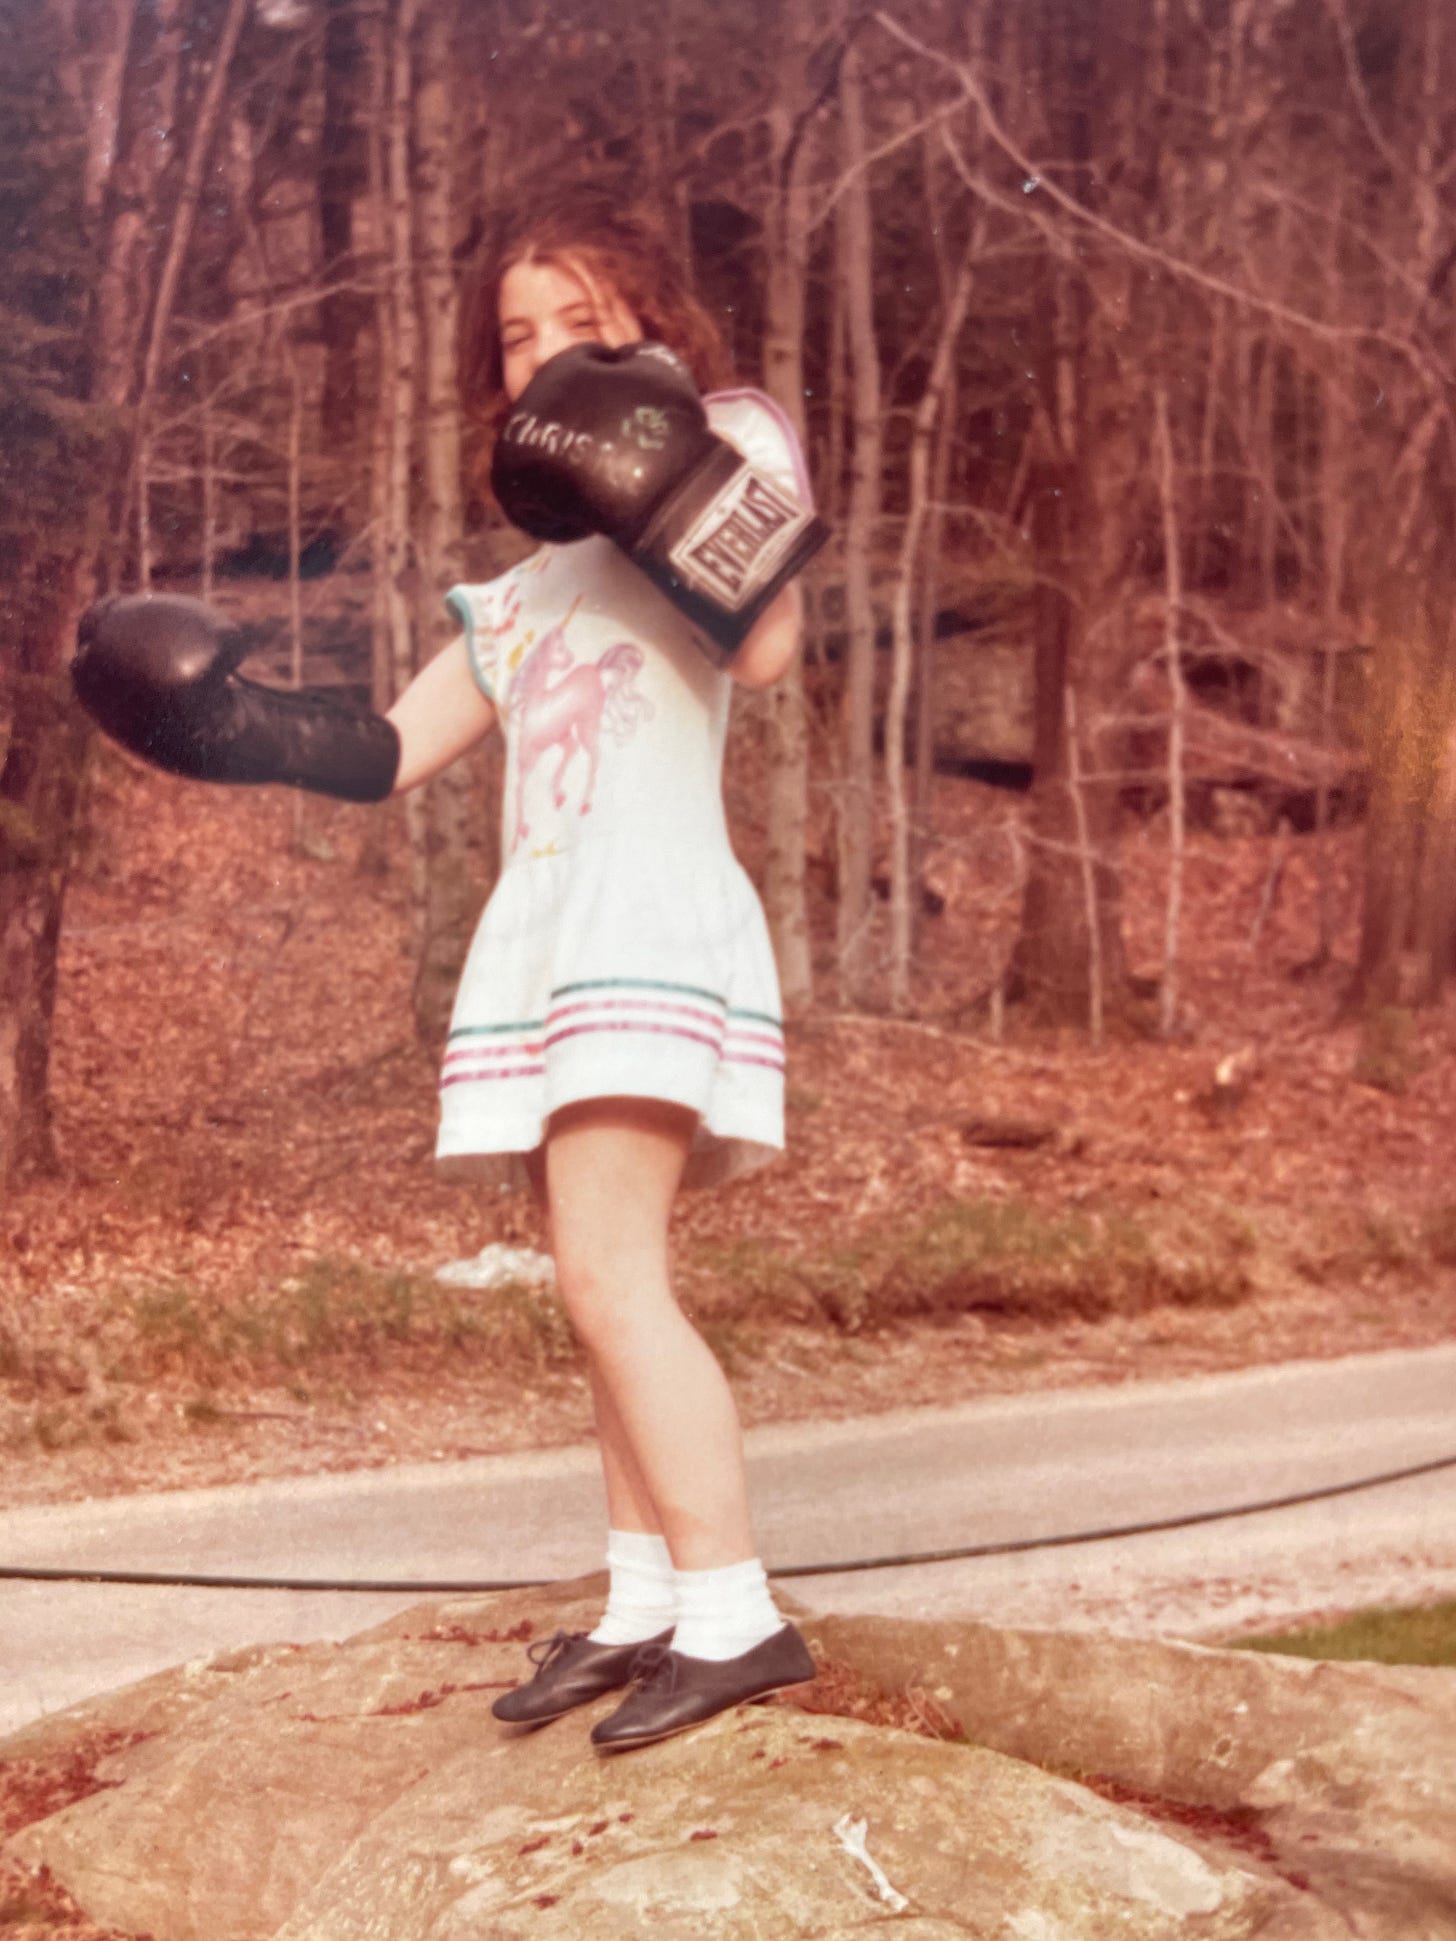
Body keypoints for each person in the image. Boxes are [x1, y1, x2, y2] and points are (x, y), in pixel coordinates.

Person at [72, 194, 827, 1752]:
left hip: (650, 916)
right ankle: (644, 1599)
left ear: (651, 320)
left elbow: (765, 650)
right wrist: (214, 726)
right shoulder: (527, 590)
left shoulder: (731, 434)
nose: (546, 354)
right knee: (590, 1287)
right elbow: (390, 748)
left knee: (614, 1273)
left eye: (582, 320)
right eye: (518, 334)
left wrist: (658, 447)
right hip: (549, 941)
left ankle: (737, 1612)